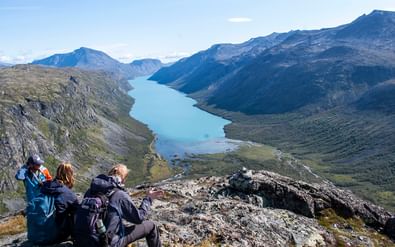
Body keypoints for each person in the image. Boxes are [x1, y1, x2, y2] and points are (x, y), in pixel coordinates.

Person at [73, 164, 164, 247]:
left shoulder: (90, 190)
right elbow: (139, 218)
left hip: (83, 241)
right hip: (106, 243)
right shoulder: (119, 194)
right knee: (151, 226)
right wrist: (148, 198)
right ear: (123, 178)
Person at [40, 162, 79, 242]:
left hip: (38, 232)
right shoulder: (68, 194)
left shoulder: (45, 186)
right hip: (55, 235)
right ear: (70, 175)